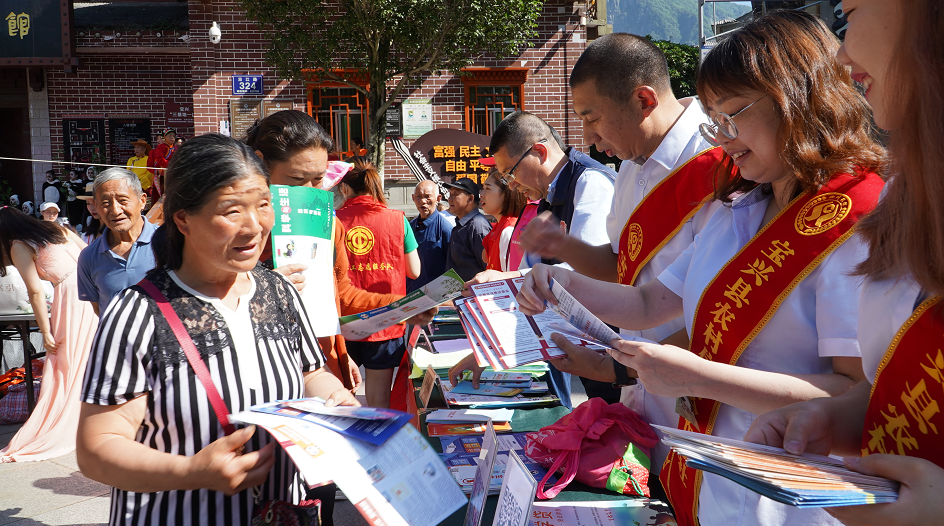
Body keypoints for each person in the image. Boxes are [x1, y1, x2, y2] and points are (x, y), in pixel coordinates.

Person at [516, 11, 885, 526]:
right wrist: (558, 282)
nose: (724, 137)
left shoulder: (852, 218)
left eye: (734, 115)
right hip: (717, 475)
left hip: (796, 496)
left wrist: (702, 377)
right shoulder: (740, 207)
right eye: (716, 118)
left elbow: (856, 393)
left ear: (798, 101)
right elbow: (648, 302)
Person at [75, 134, 358, 525]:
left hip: (281, 510)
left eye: (263, 205)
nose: (254, 226)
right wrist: (191, 471)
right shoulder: (137, 312)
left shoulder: (278, 290)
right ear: (183, 219)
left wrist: (340, 403)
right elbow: (97, 447)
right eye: (231, 211)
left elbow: (311, 372)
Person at [745, 2, 944, 525]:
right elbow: (890, 386)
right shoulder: (904, 195)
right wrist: (832, 418)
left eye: (849, 10)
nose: (841, 52)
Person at [516, 32, 723, 452]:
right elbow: (622, 269)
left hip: (707, 400)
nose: (588, 138)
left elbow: (719, 312)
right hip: (641, 393)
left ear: (643, 100)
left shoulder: (720, 161)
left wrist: (617, 369)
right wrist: (562, 249)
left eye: (592, 118)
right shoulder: (629, 167)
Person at [449, 111, 616, 409]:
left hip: (613, 352)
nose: (511, 185)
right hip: (587, 349)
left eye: (510, 173)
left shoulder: (590, 184)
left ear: (539, 151)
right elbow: (536, 281)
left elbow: (588, 277)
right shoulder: (548, 200)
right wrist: (486, 352)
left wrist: (507, 280)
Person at [0, 207, 97, 462]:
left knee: (64, 363)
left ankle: (70, 421)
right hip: (94, 290)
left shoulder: (19, 245)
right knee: (89, 359)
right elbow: (90, 253)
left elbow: (34, 291)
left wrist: (45, 331)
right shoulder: (58, 229)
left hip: (72, 298)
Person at [336, 156, 421, 408]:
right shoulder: (397, 219)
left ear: (344, 187)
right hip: (384, 321)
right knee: (379, 402)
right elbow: (414, 270)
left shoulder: (333, 219)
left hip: (342, 320)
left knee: (339, 397)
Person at [77, 168, 157, 316]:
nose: (115, 210)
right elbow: (99, 309)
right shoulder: (89, 257)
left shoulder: (170, 243)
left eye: (123, 201)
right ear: (97, 206)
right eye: (106, 203)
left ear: (142, 201)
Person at [408, 179, 453, 292]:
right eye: (419, 197)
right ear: (413, 198)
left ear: (438, 198)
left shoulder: (445, 228)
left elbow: (453, 266)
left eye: (428, 197)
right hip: (410, 292)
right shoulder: (410, 226)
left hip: (435, 295)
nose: (423, 201)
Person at [443, 177, 491, 281]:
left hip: (474, 295)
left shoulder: (478, 226)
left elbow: (488, 268)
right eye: (450, 194)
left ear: (470, 199)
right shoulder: (460, 225)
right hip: (458, 294)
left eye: (455, 194)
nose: (450, 199)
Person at [479, 169, 528, 272]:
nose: (481, 194)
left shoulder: (509, 230)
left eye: (488, 188)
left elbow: (509, 280)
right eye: (483, 188)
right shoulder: (499, 227)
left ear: (506, 194)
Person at [147, 127, 177, 199]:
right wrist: (169, 166)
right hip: (161, 176)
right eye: (170, 136)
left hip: (173, 174)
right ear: (165, 137)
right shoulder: (161, 148)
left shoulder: (175, 148)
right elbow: (159, 160)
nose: (172, 138)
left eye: (174, 136)